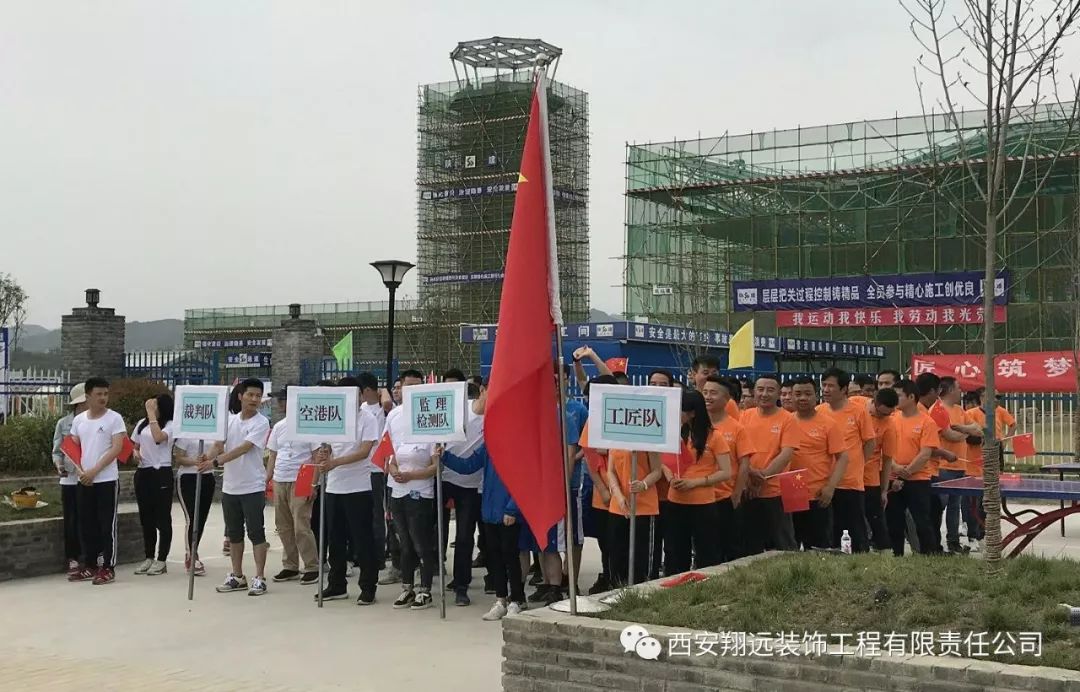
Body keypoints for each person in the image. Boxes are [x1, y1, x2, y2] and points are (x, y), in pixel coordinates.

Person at [437, 389, 526, 621]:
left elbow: (523, 480)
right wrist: (444, 456)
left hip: (508, 511)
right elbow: (468, 466)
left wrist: (512, 508)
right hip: (489, 510)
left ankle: (517, 599)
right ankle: (501, 599)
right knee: (494, 556)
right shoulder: (489, 446)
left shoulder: (518, 446)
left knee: (510, 556)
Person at [315, 376, 381, 604]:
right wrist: (324, 454)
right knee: (335, 539)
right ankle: (336, 584)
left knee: (362, 539)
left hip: (358, 487)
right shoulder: (333, 417)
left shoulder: (367, 418)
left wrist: (335, 462)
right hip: (334, 487)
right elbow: (326, 448)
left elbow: (364, 451)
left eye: (355, 394)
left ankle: (368, 586)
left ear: (361, 395)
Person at [206, 378, 272, 596]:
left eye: (258, 396)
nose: (254, 399)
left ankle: (259, 577)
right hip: (231, 487)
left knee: (256, 533)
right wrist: (206, 458)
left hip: (252, 486)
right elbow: (218, 444)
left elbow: (244, 448)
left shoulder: (261, 423)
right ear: (240, 396)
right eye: (250, 395)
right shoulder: (230, 421)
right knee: (234, 534)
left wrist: (216, 462)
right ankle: (237, 575)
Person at [386, 369, 439, 611]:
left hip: (421, 493)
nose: (413, 390)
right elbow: (389, 453)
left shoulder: (432, 418)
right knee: (404, 543)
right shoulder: (394, 417)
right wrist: (394, 470)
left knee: (421, 542)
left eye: (418, 385)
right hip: (398, 492)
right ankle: (407, 587)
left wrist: (412, 475)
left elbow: (435, 467)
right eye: (408, 385)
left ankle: (425, 589)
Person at [663, 390, 732, 573]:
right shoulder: (674, 433)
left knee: (706, 550)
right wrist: (670, 477)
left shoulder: (714, 437)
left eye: (681, 410)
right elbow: (663, 461)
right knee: (675, 551)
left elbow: (726, 472)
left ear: (693, 413)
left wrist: (696, 483)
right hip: (676, 501)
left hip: (703, 503)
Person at [68, 377, 127, 585]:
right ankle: (90, 565)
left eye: (105, 394)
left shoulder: (114, 419)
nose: (103, 398)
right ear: (88, 396)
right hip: (84, 480)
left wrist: (94, 470)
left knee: (106, 524)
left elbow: (117, 448)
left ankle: (108, 567)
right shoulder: (79, 420)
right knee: (86, 524)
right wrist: (81, 471)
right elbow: (73, 447)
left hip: (106, 480)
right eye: (98, 394)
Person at [265, 385, 320, 585]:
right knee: (283, 525)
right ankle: (290, 565)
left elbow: (316, 456)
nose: (280, 403)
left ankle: (312, 566)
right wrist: (267, 479)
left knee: (301, 525)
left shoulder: (309, 425)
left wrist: (313, 484)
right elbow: (273, 455)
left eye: (283, 399)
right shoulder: (279, 426)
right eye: (279, 399)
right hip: (280, 478)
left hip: (302, 478)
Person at [817, 368, 875, 553]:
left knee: (853, 531)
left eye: (831, 386)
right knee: (829, 533)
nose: (826, 389)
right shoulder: (819, 411)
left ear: (843, 389)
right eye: (824, 385)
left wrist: (858, 464)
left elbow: (870, 442)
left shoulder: (858, 411)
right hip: (824, 481)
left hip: (850, 482)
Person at [438, 369, 483, 606]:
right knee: (436, 531)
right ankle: (428, 577)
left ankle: (461, 585)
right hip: (442, 479)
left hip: (471, 485)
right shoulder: (453, 409)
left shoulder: (493, 417)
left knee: (465, 536)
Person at [788, 376, 848, 551]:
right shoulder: (786, 422)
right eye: (798, 394)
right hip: (790, 492)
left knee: (818, 548)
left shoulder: (828, 424)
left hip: (817, 494)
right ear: (791, 396)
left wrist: (830, 487)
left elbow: (843, 457)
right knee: (789, 547)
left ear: (816, 395)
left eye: (808, 394)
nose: (802, 398)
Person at [741, 375, 798, 553]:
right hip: (747, 489)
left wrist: (762, 477)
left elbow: (786, 453)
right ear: (753, 392)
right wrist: (750, 474)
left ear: (779, 393)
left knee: (783, 543)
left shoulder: (788, 419)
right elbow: (737, 451)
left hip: (777, 490)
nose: (764, 394)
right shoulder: (744, 416)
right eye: (760, 389)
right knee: (750, 544)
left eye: (770, 390)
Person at [886, 379, 941, 556]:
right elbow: (884, 450)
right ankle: (896, 555)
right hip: (893, 477)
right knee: (894, 521)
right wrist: (895, 468)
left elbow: (925, 454)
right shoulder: (891, 420)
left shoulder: (927, 422)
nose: (895, 399)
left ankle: (928, 555)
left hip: (918, 480)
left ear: (911, 397)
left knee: (922, 521)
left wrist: (905, 472)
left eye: (898, 395)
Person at [702, 376, 753, 562]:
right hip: (700, 498)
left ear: (726, 399)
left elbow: (744, 464)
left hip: (726, 497)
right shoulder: (697, 426)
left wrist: (737, 494)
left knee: (730, 547)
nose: (708, 397)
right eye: (705, 392)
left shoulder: (737, 428)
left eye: (713, 393)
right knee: (706, 548)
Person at [605, 428, 663, 587]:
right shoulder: (615, 437)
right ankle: (617, 589)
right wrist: (618, 495)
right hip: (619, 506)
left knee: (641, 557)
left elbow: (657, 471)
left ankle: (642, 589)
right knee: (617, 554)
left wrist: (644, 484)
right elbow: (610, 471)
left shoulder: (648, 438)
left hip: (644, 507)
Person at [580, 375, 619, 594]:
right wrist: (603, 489)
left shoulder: (625, 416)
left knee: (624, 542)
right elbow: (590, 458)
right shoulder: (593, 422)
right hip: (603, 495)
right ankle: (608, 577)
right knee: (606, 541)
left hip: (629, 492)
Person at [131, 393, 176, 576]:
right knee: (146, 518)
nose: (152, 407)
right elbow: (135, 445)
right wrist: (135, 452)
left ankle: (161, 559)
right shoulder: (142, 424)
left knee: (162, 518)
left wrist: (151, 414)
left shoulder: (170, 425)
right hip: (144, 471)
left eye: (155, 405)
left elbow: (158, 437)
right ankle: (148, 556)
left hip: (161, 472)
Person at [936, 377, 982, 554]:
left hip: (960, 466)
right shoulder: (938, 409)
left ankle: (953, 541)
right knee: (940, 505)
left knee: (955, 507)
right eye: (958, 388)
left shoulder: (959, 410)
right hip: (944, 466)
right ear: (949, 390)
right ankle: (934, 541)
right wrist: (966, 431)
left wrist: (961, 428)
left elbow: (977, 429)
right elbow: (950, 436)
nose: (960, 391)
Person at [54, 384, 88, 576]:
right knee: (71, 520)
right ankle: (73, 558)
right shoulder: (64, 423)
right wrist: (59, 465)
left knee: (89, 519)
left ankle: (90, 557)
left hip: (89, 477)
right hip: (70, 478)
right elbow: (57, 451)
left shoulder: (95, 422)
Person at [174, 427, 215, 576]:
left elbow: (219, 449)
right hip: (188, 477)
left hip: (207, 476)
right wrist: (195, 461)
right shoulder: (186, 432)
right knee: (191, 517)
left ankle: (194, 549)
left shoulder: (213, 430)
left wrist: (209, 459)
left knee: (201, 519)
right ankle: (190, 556)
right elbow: (178, 458)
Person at [865, 388, 898, 552]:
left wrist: (884, 490)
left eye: (889, 414)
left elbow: (887, 460)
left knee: (876, 518)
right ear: (874, 402)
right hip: (845, 475)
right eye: (881, 413)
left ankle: (883, 550)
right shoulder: (856, 406)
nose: (884, 417)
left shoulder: (889, 425)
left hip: (870, 479)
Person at [962, 390, 987, 551]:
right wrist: (982, 436)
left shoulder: (994, 414)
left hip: (985, 467)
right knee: (971, 505)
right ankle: (972, 535)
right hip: (970, 467)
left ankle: (981, 533)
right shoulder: (969, 414)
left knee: (983, 505)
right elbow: (970, 437)